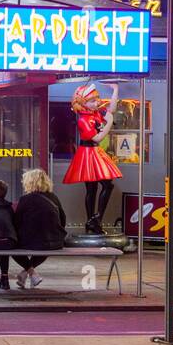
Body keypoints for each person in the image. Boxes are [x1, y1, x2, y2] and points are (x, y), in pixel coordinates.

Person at [63, 82, 123, 233]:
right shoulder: (83, 119)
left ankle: (94, 220)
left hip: (93, 152)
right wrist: (109, 123)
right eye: (92, 100)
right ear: (83, 103)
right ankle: (94, 220)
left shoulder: (95, 112)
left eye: (97, 99)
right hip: (88, 152)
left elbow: (112, 110)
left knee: (97, 187)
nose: (96, 102)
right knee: (96, 187)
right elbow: (97, 137)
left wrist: (115, 89)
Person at [12, 168, 67, 288]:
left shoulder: (25, 200)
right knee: (44, 247)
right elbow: (63, 219)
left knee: (11, 249)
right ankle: (28, 274)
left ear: (30, 182)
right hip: (54, 242)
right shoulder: (54, 198)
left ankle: (30, 272)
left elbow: (17, 222)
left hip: (32, 242)